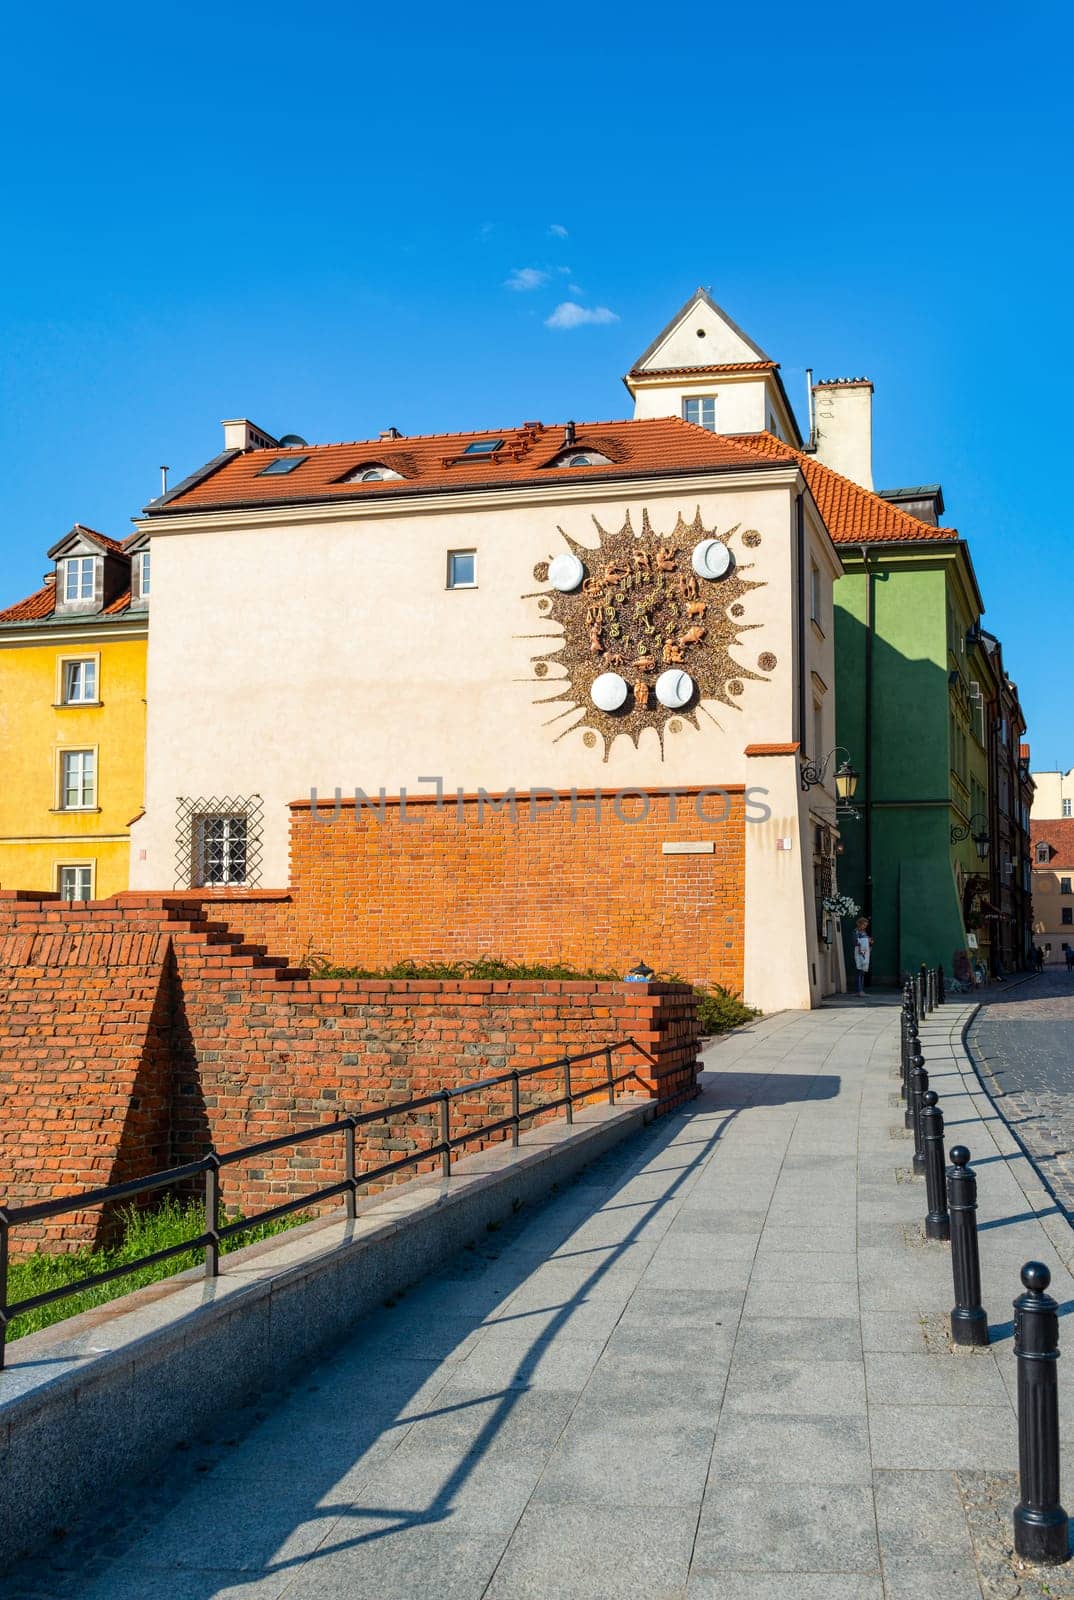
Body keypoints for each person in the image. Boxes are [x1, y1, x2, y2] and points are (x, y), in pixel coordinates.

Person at [852, 916, 874, 996]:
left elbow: (867, 940)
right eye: (863, 925)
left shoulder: (864, 932)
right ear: (859, 924)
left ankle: (862, 990)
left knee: (862, 972)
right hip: (859, 952)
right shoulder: (856, 932)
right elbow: (855, 942)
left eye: (866, 925)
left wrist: (870, 942)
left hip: (865, 953)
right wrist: (865, 941)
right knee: (859, 971)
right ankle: (859, 990)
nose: (864, 927)